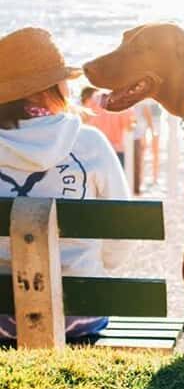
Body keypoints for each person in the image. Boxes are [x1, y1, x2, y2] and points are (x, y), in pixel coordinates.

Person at [0, 27, 130, 340]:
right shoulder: (89, 143)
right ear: (53, 87)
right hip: (81, 312)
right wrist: (102, 262)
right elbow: (120, 237)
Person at [81, 86, 134, 167]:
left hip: (96, 150)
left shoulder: (94, 98)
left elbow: (84, 119)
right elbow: (129, 127)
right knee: (116, 179)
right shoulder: (122, 100)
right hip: (116, 151)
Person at [133, 99, 161, 193]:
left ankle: (153, 179)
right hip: (145, 124)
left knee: (152, 153)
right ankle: (145, 179)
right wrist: (152, 128)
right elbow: (146, 110)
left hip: (150, 122)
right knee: (145, 153)